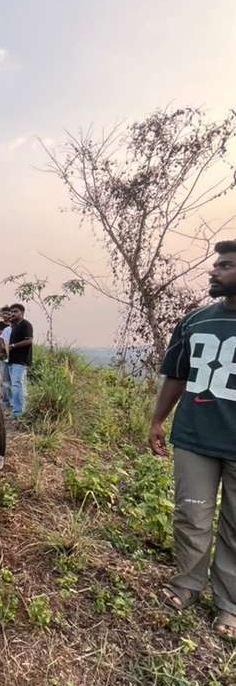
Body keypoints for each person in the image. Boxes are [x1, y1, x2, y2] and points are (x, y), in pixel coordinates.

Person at [149, 240, 236, 640]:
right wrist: (157, 421)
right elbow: (176, 376)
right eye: (216, 264)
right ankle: (187, 584)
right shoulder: (196, 321)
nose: (214, 271)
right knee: (191, 515)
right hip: (195, 439)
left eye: (225, 265)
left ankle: (229, 604)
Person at [7, 303, 33, 417]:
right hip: (13, 360)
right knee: (17, 385)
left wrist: (13, 346)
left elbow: (29, 341)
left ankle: (17, 412)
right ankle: (20, 409)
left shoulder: (26, 325)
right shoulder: (15, 325)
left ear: (22, 313)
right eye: (12, 311)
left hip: (21, 360)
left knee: (16, 385)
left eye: (15, 311)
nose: (13, 313)